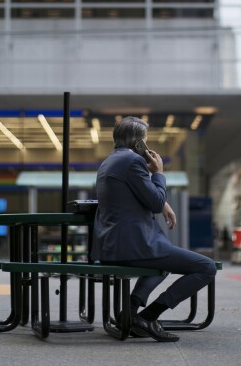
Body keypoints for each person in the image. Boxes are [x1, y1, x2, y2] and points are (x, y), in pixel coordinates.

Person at [90, 116, 217, 343]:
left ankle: (129, 311)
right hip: (134, 246)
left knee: (164, 262)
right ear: (138, 142)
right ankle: (149, 316)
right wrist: (158, 172)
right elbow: (156, 202)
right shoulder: (132, 162)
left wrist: (163, 200)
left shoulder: (111, 161)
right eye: (145, 140)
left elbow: (143, 196)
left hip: (113, 245)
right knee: (206, 267)